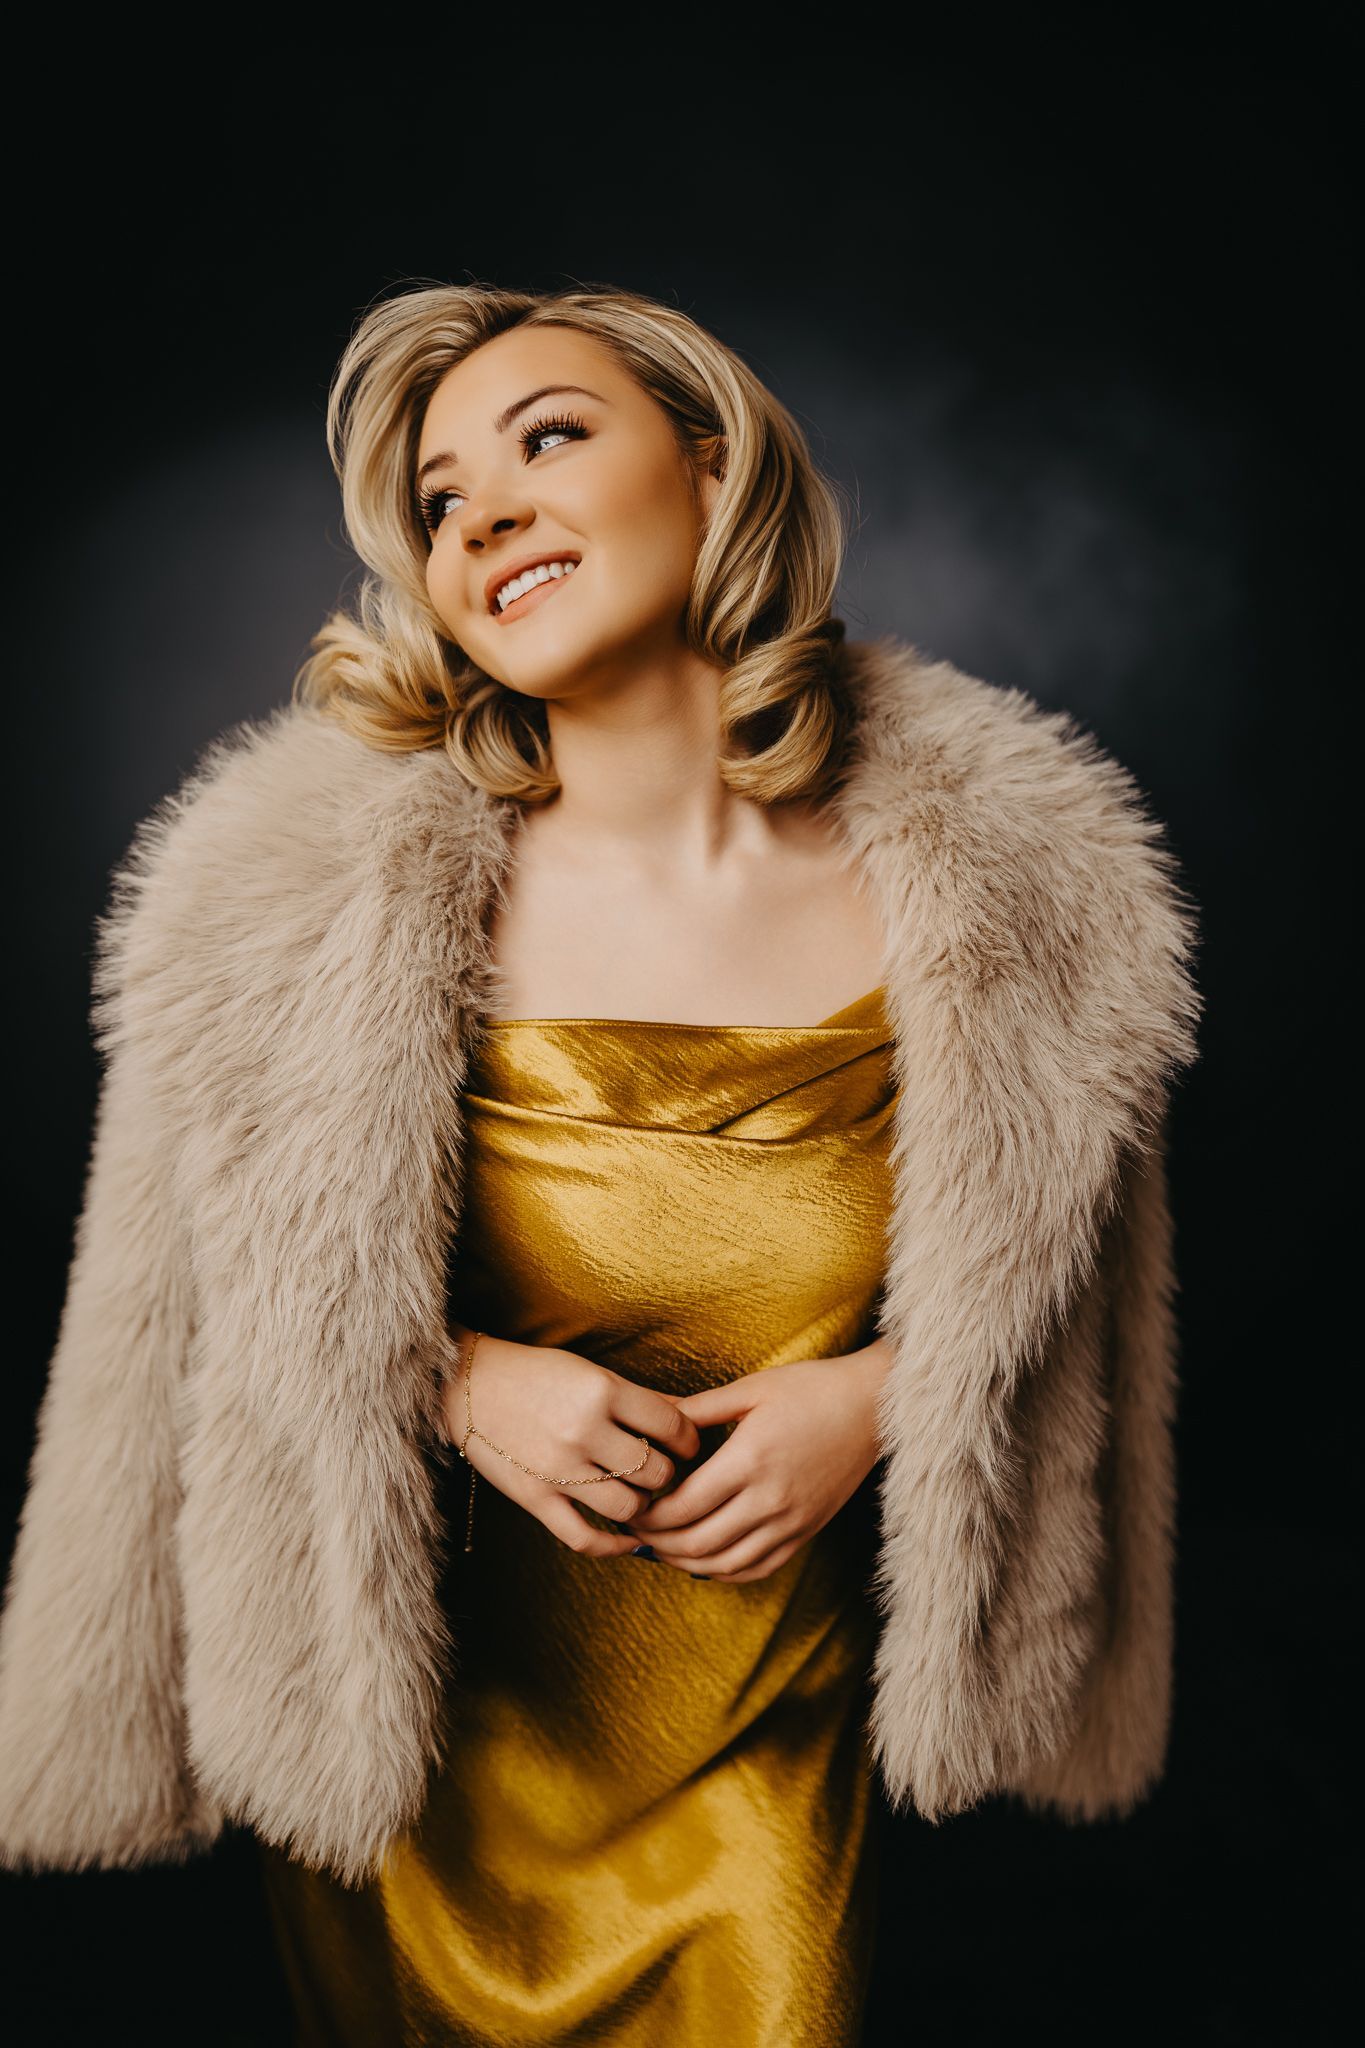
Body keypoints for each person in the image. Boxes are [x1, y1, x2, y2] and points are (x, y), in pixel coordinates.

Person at [0, 282, 1202, 2048]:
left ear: (711, 476)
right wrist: (457, 1382)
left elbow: (1077, 1308)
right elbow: (194, 1311)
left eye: (547, 436)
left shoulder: (1023, 910)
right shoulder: (284, 913)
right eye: (437, 499)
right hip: (423, 1752)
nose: (480, 510)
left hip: (779, 1721)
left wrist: (889, 1394)